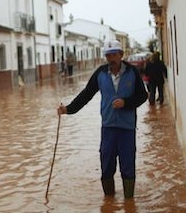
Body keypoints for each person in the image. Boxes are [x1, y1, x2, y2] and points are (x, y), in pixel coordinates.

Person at [56, 40, 148, 199]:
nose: (110, 58)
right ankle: (109, 202)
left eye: (114, 55)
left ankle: (129, 202)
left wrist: (126, 103)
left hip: (127, 128)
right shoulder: (100, 73)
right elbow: (86, 94)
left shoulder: (132, 72)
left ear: (121, 55)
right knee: (106, 166)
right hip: (108, 128)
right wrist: (68, 109)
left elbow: (143, 95)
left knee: (128, 166)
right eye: (108, 55)